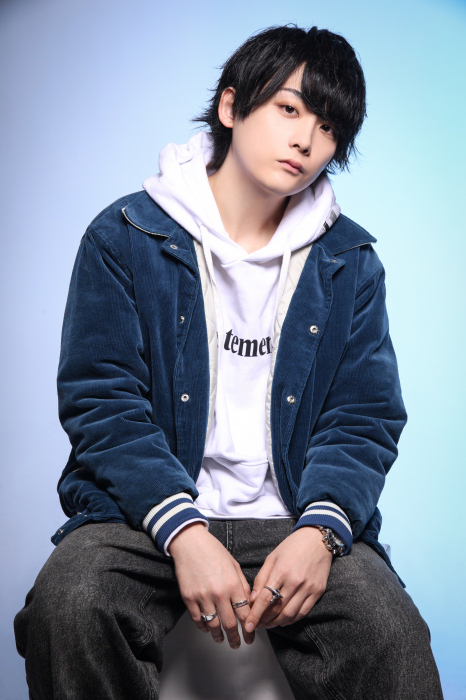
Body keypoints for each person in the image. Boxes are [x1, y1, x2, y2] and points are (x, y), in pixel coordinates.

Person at [14, 24, 443, 700]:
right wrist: (182, 528)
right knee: (72, 601)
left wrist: (322, 531)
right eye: (289, 108)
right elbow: (103, 402)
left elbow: (363, 417)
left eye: (328, 128)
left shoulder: (350, 262)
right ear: (231, 106)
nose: (306, 140)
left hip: (295, 518)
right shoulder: (125, 237)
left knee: (391, 633)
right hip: (145, 518)